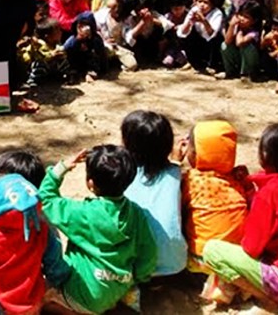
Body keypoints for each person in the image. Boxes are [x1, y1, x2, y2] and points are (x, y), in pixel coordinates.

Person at [202, 123, 278, 310]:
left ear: (264, 155)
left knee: (212, 250)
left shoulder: (269, 194)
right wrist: (250, 187)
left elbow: (251, 248)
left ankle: (266, 298)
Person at [40, 145, 156, 314]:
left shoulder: (83, 213)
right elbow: (148, 253)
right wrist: (140, 277)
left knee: (46, 300)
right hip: (119, 288)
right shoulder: (137, 213)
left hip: (82, 293)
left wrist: (61, 168)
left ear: (91, 183)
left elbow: (46, 199)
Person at [0, 172, 66, 314]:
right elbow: (55, 264)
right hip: (34, 300)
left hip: (2, 304)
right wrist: (60, 279)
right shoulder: (40, 229)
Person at [122, 111, 187, 276]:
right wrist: (177, 162)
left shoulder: (121, 176)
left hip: (132, 266)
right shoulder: (177, 174)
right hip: (174, 263)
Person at [178, 120, 249, 270]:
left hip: (201, 259)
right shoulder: (238, 180)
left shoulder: (190, 181)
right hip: (235, 259)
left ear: (196, 154)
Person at [176, 0, 224, 71]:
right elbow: (183, 32)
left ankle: (212, 65)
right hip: (198, 41)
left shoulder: (217, 13)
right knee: (187, 37)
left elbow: (212, 34)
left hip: (211, 44)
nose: (202, 5)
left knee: (216, 40)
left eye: (206, 2)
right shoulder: (194, 10)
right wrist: (190, 22)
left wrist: (204, 21)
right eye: (199, 1)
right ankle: (193, 62)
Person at [220, 0, 263, 80]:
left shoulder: (254, 32)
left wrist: (239, 32)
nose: (242, 19)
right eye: (241, 15)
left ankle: (247, 73)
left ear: (254, 20)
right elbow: (227, 41)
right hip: (238, 58)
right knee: (224, 46)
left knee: (248, 47)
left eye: (246, 17)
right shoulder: (236, 26)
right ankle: (231, 72)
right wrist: (232, 26)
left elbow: (239, 42)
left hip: (250, 61)